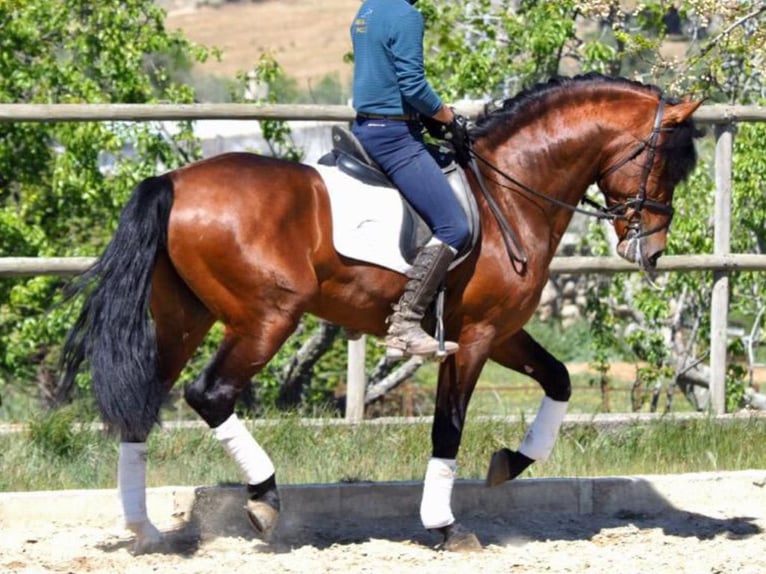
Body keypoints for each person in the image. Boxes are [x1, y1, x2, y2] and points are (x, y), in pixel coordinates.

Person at [350, 0, 471, 359]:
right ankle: (405, 325)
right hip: (393, 137)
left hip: (365, 127)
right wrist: (448, 118)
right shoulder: (406, 14)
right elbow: (414, 86)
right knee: (454, 226)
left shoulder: (368, 8)